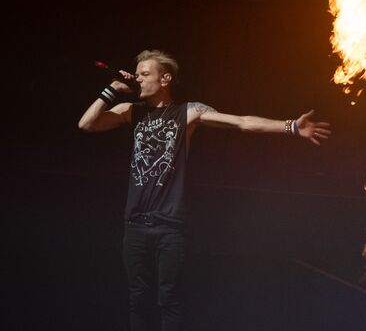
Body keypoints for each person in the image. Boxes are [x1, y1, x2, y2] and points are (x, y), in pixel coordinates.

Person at [78, 49, 331, 331]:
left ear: (165, 79)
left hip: (169, 226)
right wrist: (112, 89)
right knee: (138, 299)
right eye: (136, 75)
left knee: (168, 299)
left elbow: (241, 122)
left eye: (145, 74)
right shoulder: (130, 111)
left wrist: (291, 126)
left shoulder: (189, 112)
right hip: (135, 224)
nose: (138, 79)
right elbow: (86, 123)